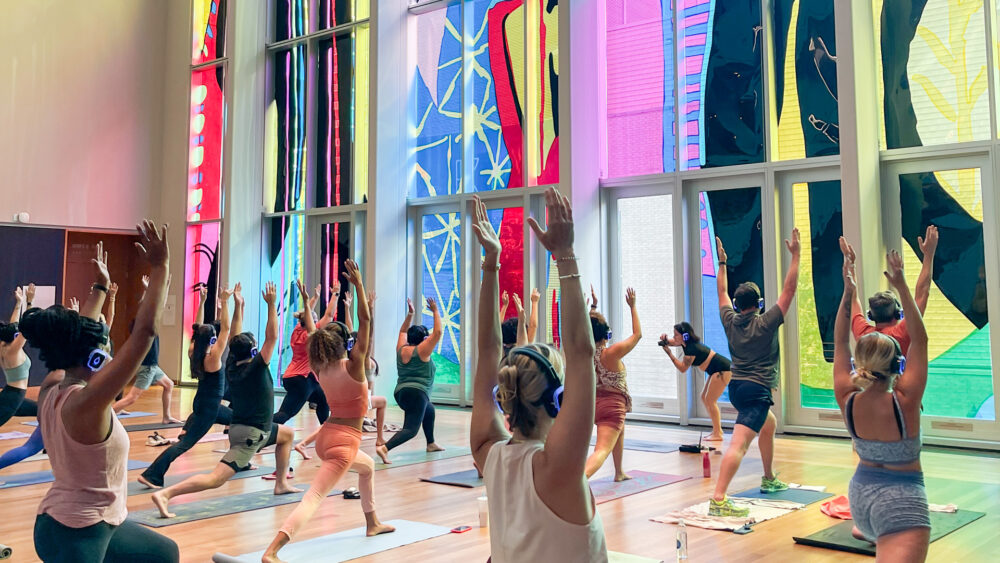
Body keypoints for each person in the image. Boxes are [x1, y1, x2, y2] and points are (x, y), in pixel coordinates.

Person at [22, 225, 179, 562]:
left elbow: (77, 335)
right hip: (76, 535)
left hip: (84, 523)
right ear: (91, 356)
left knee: (163, 554)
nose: (107, 354)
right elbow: (145, 333)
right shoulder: (88, 402)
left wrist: (102, 286)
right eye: (101, 348)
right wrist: (161, 267)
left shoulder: (53, 384)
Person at [470, 188, 608, 562]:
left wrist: (492, 262)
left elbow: (486, 351)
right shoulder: (559, 468)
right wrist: (564, 255)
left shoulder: (488, 455)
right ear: (559, 400)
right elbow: (582, 352)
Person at [261, 262, 395, 563]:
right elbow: (365, 320)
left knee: (369, 468)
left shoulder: (319, 368)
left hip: (327, 438)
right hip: (344, 443)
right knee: (314, 497)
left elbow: (312, 331)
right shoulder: (355, 366)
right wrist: (358, 285)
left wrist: (307, 303)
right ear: (343, 346)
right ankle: (272, 551)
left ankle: (372, 523)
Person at [151, 281, 301, 518]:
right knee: (215, 479)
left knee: (287, 434)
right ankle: (166, 495)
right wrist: (272, 305)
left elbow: (233, 336)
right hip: (251, 436)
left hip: (246, 429)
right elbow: (271, 337)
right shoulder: (257, 368)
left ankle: (281, 483)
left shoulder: (231, 365)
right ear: (253, 352)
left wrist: (236, 305)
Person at [834, 240, 930, 561]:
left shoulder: (847, 397)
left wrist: (850, 287)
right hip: (900, 502)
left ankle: (868, 527)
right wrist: (901, 282)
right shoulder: (904, 401)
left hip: (860, 497)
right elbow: (921, 336)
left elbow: (839, 342)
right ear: (898, 364)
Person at [710, 229, 801, 517]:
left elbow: (721, 291)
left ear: (737, 306)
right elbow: (789, 291)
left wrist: (722, 263)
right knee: (738, 445)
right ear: (759, 304)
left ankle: (769, 477)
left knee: (769, 425)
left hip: (737, 388)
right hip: (757, 392)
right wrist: (796, 256)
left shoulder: (729, 320)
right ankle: (719, 499)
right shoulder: (765, 323)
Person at [137, 285, 237, 489]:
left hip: (205, 404)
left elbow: (197, 326)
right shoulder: (213, 358)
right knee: (185, 445)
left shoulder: (194, 351)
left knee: (241, 420)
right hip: (208, 408)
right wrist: (226, 302)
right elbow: (226, 329)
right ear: (211, 339)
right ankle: (152, 474)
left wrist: (202, 302)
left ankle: (241, 459)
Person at [850, 225, 937, 356]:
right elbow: (922, 293)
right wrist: (929, 255)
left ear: (870, 315)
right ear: (899, 314)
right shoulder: (904, 332)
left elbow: (852, 298)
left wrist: (850, 266)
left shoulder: (863, 334)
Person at [585, 288, 641, 481]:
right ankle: (579, 480)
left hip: (594, 404)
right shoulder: (611, 353)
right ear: (605, 333)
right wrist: (633, 307)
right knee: (601, 450)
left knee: (620, 430)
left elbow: (587, 327)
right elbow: (637, 334)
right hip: (612, 405)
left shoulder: (585, 354)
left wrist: (592, 307)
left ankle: (619, 471)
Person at [382, 296, 445, 460]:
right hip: (417, 393)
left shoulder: (401, 348)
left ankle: (431, 443)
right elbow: (438, 332)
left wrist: (410, 314)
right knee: (410, 430)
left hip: (401, 393)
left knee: (429, 409)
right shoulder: (423, 351)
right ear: (424, 339)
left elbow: (402, 331)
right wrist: (435, 310)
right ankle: (384, 448)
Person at [112, 275, 181, 424]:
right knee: (132, 398)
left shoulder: (143, 327)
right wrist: (159, 287)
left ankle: (166, 417)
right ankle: (104, 416)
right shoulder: (146, 330)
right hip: (148, 367)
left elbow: (150, 306)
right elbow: (158, 305)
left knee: (168, 385)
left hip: (153, 366)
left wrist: (151, 288)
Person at [272, 283, 335, 426]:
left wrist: (313, 298)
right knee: (285, 414)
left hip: (293, 377)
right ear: (311, 322)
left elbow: (306, 312)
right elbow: (329, 315)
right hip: (302, 379)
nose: (316, 320)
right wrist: (335, 295)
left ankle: (326, 429)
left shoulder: (297, 330)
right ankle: (257, 425)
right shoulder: (310, 335)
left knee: (323, 399)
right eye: (314, 319)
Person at [661, 322, 732, 441]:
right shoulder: (685, 342)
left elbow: (683, 368)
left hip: (722, 369)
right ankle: (717, 430)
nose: (674, 337)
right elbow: (672, 341)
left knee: (710, 400)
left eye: (676, 335)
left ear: (685, 336)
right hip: (714, 370)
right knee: (704, 397)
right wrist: (665, 338)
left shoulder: (691, 349)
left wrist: (670, 354)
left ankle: (718, 433)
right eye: (673, 334)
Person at [1, 284, 37, 425]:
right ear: (15, 337)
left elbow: (14, 325)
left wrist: (18, 303)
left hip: (12, 394)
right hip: (13, 398)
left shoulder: (4, 346)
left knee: (42, 410)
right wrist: (29, 302)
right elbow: (27, 326)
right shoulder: (13, 350)